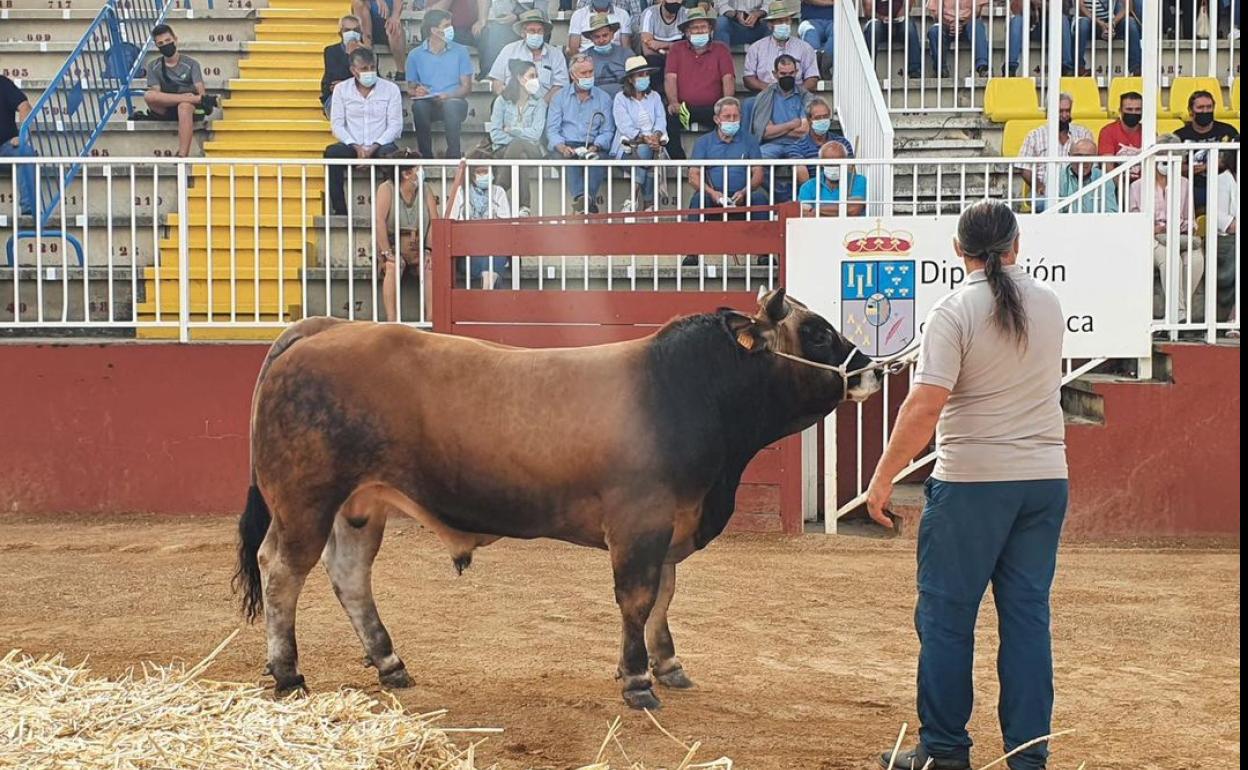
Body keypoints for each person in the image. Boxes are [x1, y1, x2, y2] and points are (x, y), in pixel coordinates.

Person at [869, 200, 1069, 770]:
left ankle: (944, 751)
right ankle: (1029, 755)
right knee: (1027, 617)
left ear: (958, 250)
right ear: (1016, 246)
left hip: (975, 482)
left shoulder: (955, 310)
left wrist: (883, 478)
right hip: (1044, 479)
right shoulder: (1049, 303)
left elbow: (924, 404)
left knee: (946, 617)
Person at [1129, 137, 1207, 321]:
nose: (1166, 159)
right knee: (1169, 257)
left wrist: (1183, 227)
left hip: (1179, 236)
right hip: (1152, 238)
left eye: (1172, 155)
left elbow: (1191, 219)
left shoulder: (1185, 183)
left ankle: (1175, 312)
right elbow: (1133, 220)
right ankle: (1178, 315)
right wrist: (1154, 228)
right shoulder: (1137, 186)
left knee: (1196, 260)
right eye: (1162, 155)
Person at [324, 48, 404, 216]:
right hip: (352, 146)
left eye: (372, 67)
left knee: (391, 155)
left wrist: (373, 147)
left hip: (380, 145)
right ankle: (340, 211)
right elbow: (337, 125)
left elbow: (395, 126)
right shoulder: (341, 90)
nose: (370, 72)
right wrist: (357, 148)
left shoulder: (391, 89)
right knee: (332, 153)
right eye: (364, 69)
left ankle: (390, 212)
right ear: (353, 70)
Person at [686, 96, 768, 245]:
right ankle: (693, 250)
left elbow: (758, 172)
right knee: (698, 200)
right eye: (727, 117)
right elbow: (693, 175)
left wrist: (744, 192)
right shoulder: (704, 142)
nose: (732, 120)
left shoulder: (750, 141)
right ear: (717, 119)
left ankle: (763, 251)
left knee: (760, 199)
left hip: (742, 194)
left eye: (735, 116)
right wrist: (712, 193)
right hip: (713, 195)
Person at [374, 149, 440, 321]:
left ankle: (431, 318)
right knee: (392, 266)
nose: (421, 171)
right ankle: (392, 320)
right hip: (394, 245)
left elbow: (435, 220)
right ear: (406, 173)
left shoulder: (425, 189)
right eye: (418, 168)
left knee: (430, 266)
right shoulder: (386, 188)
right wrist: (387, 253)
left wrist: (429, 249)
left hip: (420, 245)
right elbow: (379, 222)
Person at [663, 8, 736, 159]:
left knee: (730, 118)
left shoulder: (721, 49)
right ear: (687, 32)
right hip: (684, 108)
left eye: (703, 27)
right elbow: (670, 78)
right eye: (695, 28)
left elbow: (728, 78)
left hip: (713, 108)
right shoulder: (677, 49)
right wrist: (673, 102)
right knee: (668, 117)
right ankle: (680, 163)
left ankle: (718, 160)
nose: (699, 31)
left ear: (710, 30)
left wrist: (726, 105)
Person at [547, 54, 616, 213]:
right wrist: (562, 147)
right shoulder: (559, 97)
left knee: (598, 160)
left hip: (593, 145)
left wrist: (596, 146)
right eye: (583, 73)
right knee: (569, 160)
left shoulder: (604, 98)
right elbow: (552, 129)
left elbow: (607, 130)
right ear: (572, 75)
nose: (588, 76)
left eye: (590, 72)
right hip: (567, 144)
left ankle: (584, 201)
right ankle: (584, 200)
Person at [406, 9, 473, 159]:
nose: (451, 29)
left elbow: (466, 87)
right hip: (428, 102)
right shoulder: (415, 55)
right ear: (434, 30)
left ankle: (454, 154)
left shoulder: (460, 51)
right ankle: (425, 156)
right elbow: (410, 88)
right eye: (446, 25)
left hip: (454, 102)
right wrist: (417, 91)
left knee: (451, 105)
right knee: (419, 106)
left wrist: (448, 95)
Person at [488, 59, 548, 215]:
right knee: (519, 154)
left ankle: (499, 189)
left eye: (537, 76)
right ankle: (524, 207)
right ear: (520, 79)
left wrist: (513, 131)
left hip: (533, 149)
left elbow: (536, 134)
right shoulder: (502, 101)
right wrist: (517, 140)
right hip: (503, 149)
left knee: (519, 145)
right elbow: (495, 134)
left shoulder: (540, 103)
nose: (536, 80)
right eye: (532, 75)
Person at [143, 24, 212, 158]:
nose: (165, 45)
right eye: (161, 43)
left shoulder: (192, 64)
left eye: (168, 41)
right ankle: (190, 99)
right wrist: (185, 97)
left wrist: (192, 99)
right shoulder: (153, 66)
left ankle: (182, 156)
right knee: (148, 95)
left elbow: (202, 94)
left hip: (190, 109)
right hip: (167, 108)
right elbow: (156, 96)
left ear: (175, 39)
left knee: (184, 106)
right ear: (157, 46)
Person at [445, 154, 512, 289]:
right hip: (468, 251)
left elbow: (505, 226)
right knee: (488, 266)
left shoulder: (499, 192)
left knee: (492, 263)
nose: (483, 175)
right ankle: (489, 301)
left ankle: (486, 298)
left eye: (486, 171)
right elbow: (451, 222)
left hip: (494, 249)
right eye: (479, 171)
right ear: (472, 174)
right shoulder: (460, 192)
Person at [1016, 92, 1094, 207]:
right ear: (1049, 112)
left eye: (1067, 111)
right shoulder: (1034, 135)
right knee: (1043, 203)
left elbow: (1093, 165)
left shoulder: (1083, 133)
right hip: (1046, 192)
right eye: (1060, 111)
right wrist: (1039, 186)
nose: (1064, 115)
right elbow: (1025, 169)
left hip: (1078, 190)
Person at [612, 56, 669, 211]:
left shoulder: (655, 97)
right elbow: (624, 125)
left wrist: (656, 135)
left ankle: (632, 199)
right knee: (646, 152)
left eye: (646, 75)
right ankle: (648, 203)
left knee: (649, 151)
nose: (645, 78)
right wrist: (644, 138)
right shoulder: (620, 98)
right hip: (628, 147)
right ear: (630, 79)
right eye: (640, 75)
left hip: (654, 143)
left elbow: (661, 120)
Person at [1174, 90, 1240, 211]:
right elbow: (1172, 166)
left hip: (1223, 184)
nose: (1205, 111)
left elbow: (1234, 162)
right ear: (1190, 111)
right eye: (1200, 107)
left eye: (1209, 107)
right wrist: (1189, 169)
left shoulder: (1228, 131)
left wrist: (1207, 167)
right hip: (1192, 185)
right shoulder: (1179, 135)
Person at [487, 9, 569, 103]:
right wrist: (509, 103)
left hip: (546, 107)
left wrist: (540, 106)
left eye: (539, 31)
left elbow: (560, 86)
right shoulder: (509, 50)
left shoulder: (556, 55)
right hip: (512, 106)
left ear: (544, 33)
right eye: (532, 31)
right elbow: (497, 81)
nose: (536, 34)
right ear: (523, 33)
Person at [745, 54, 815, 159]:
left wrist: (777, 129)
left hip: (798, 145)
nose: (787, 76)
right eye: (783, 73)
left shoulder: (805, 97)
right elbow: (764, 132)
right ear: (775, 74)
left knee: (801, 164)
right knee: (759, 160)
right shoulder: (765, 96)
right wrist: (792, 124)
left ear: (796, 72)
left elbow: (804, 131)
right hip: (771, 145)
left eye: (791, 73)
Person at [744, 1, 819, 93]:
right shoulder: (756, 48)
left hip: (796, 97)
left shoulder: (805, 48)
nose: (784, 24)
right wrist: (768, 89)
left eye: (787, 20)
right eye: (780, 21)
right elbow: (748, 78)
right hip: (766, 96)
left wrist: (796, 93)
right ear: (770, 25)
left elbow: (812, 78)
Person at [1071, 0, 1142, 76]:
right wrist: (1100, 23)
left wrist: (1112, 24)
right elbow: (1080, 7)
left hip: (1111, 22)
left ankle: (1136, 69)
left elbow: (1128, 6)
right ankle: (1079, 68)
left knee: (1130, 23)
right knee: (1082, 25)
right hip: (1089, 22)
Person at [797, 141, 865, 215]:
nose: (833, 167)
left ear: (846, 161)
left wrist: (816, 210)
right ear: (821, 163)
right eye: (829, 164)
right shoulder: (808, 186)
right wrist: (843, 209)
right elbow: (805, 214)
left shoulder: (858, 181)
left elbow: (853, 209)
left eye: (837, 164)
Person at [926, 0, 989, 78]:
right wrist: (950, 23)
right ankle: (940, 69)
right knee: (934, 31)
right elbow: (934, 13)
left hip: (968, 22)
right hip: (945, 24)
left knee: (977, 25)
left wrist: (962, 22)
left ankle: (982, 67)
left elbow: (978, 10)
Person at [0, 74, 35, 216]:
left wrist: (22, 135)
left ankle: (29, 208)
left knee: (25, 152)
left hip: (4, 149)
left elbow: (25, 106)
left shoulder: (2, 83)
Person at [1007, 0, 1071, 76]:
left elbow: (1065, 9)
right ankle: (1010, 68)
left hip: (1050, 29)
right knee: (1016, 20)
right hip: (1029, 27)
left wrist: (1042, 4)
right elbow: (1015, 10)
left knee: (1062, 19)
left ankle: (1066, 68)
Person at [863, 0, 923, 79]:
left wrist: (902, 12)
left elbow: (909, 4)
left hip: (899, 22)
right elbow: (868, 12)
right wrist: (882, 17)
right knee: (873, 28)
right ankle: (869, 72)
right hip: (879, 23)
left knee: (909, 28)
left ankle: (915, 70)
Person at [1057, 138, 1119, 212]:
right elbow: (1053, 213)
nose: (1083, 161)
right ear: (1069, 156)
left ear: (1095, 158)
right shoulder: (1059, 178)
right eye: (1078, 156)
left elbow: (1110, 213)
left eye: (1088, 156)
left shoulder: (1104, 179)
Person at [321, 16, 366, 118]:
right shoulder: (331, 51)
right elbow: (336, 78)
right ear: (340, 33)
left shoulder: (366, 52)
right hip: (336, 97)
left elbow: (371, 79)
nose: (352, 33)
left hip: (361, 96)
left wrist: (346, 85)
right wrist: (349, 55)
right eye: (347, 30)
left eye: (355, 30)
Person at [350, 0, 408, 74]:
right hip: (364, 30)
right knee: (359, 3)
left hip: (385, 23)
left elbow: (399, 2)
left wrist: (394, 17)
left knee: (396, 29)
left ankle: (401, 71)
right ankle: (369, 60)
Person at [584, 13, 633, 96]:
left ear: (612, 34)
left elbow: (636, 79)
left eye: (605, 35)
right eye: (597, 37)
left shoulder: (627, 54)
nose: (601, 40)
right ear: (591, 38)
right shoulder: (584, 57)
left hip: (624, 98)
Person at [473, 0, 522, 79]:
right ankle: (488, 73)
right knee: (483, 31)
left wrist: (517, 16)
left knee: (497, 31)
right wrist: (481, 20)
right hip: (493, 21)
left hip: (518, 20)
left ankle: (493, 74)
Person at [568, 0, 633, 55]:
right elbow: (573, 48)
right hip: (587, 60)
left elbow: (626, 47)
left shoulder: (623, 14)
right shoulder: (578, 15)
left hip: (616, 59)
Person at [639, 0, 689, 71]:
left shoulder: (686, 14)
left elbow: (689, 48)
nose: (675, 1)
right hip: (656, 61)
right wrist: (674, 49)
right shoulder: (649, 13)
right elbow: (647, 50)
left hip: (680, 59)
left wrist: (662, 45)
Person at [797, 0, 836, 79]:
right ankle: (814, 72)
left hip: (835, 20)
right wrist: (833, 3)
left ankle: (824, 68)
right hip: (810, 20)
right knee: (809, 32)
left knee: (837, 33)